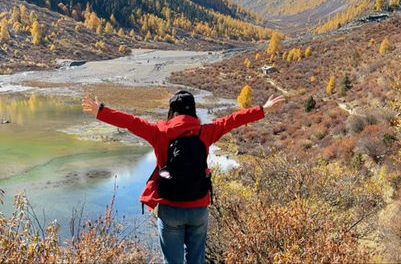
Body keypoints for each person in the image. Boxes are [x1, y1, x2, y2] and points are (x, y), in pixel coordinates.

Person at [82, 89, 285, 264]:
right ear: (193, 110)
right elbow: (232, 120)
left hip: (170, 207)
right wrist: (263, 109)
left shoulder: (159, 132)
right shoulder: (205, 132)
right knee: (197, 260)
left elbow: (131, 122)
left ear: (172, 111)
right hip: (198, 207)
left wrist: (101, 111)